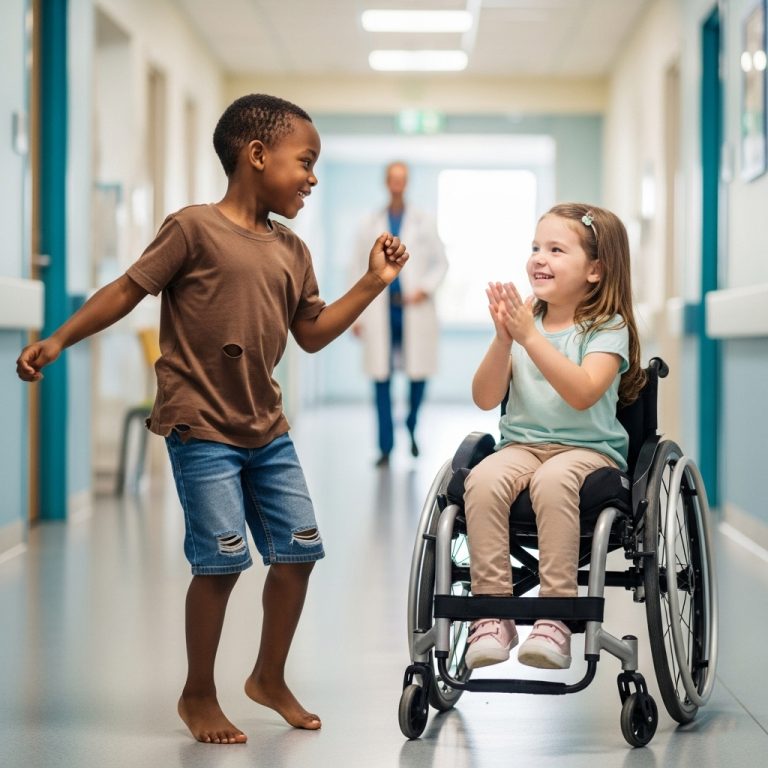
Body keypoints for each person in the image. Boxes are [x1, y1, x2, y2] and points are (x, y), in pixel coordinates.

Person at [15, 94, 408, 744]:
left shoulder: (293, 250)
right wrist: (58, 340)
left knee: (300, 552)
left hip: (266, 427)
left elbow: (310, 334)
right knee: (221, 562)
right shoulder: (192, 228)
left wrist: (372, 283)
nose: (312, 176)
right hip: (201, 424)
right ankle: (198, 692)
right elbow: (126, 289)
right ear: (257, 156)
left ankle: (267, 676)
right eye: (304, 161)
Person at [462, 203, 645, 671]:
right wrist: (505, 339)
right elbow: (485, 398)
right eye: (535, 247)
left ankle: (555, 618)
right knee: (481, 480)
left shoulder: (607, 327)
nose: (539, 258)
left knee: (553, 481)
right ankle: (491, 614)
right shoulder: (526, 321)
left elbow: (583, 392)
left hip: (587, 452)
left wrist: (530, 339)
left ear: (595, 270)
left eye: (556, 249)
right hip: (521, 447)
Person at [352, 161, 448, 466]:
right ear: (386, 182)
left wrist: (424, 289)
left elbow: (441, 263)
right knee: (381, 379)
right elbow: (356, 267)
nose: (397, 183)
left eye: (402, 179)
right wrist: (355, 316)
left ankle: (410, 424)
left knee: (417, 377)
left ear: (407, 183)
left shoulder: (424, 221)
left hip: (414, 309)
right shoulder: (370, 222)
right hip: (381, 312)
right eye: (393, 178)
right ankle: (385, 447)